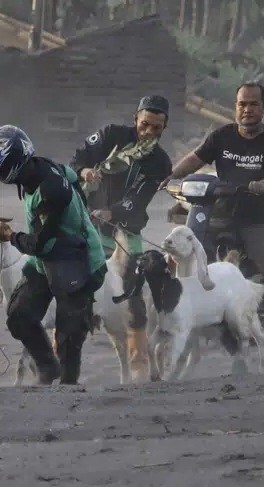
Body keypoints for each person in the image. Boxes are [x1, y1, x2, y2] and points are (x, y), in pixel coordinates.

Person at [163, 82, 264, 340]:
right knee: (183, 256)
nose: (247, 109)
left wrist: (262, 185)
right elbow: (195, 158)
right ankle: (177, 316)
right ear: (235, 107)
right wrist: (171, 176)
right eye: (242, 104)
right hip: (217, 215)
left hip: (255, 219)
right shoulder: (221, 136)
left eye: (253, 104)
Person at [0, 124, 107, 385]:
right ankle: (48, 368)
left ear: (10, 165)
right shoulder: (41, 168)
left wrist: (10, 236)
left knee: (69, 336)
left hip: (78, 261)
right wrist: (81, 209)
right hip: (48, 259)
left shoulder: (51, 191)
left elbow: (38, 244)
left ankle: (68, 389)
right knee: (19, 315)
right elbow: (73, 177)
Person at [69, 94, 173, 382]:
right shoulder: (110, 136)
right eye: (145, 125)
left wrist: (110, 212)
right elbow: (77, 158)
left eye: (156, 128)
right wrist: (85, 171)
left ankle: (141, 360)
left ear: (165, 127)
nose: (149, 132)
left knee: (133, 290)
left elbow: (138, 200)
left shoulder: (161, 163)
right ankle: (64, 358)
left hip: (126, 230)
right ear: (135, 119)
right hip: (88, 226)